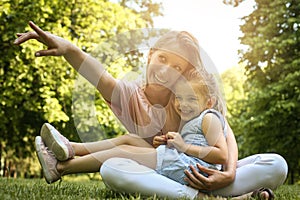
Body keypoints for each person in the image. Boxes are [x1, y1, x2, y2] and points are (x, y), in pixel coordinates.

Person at [14, 21, 287, 199]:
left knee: (276, 164)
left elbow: (226, 137)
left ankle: (66, 157)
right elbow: (101, 76)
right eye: (162, 59)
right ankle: (214, 198)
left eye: (177, 67)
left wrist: (227, 173)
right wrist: (69, 48)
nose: (166, 70)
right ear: (150, 55)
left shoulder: (194, 97)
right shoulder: (131, 95)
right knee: (112, 169)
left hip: (210, 172)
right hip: (164, 172)